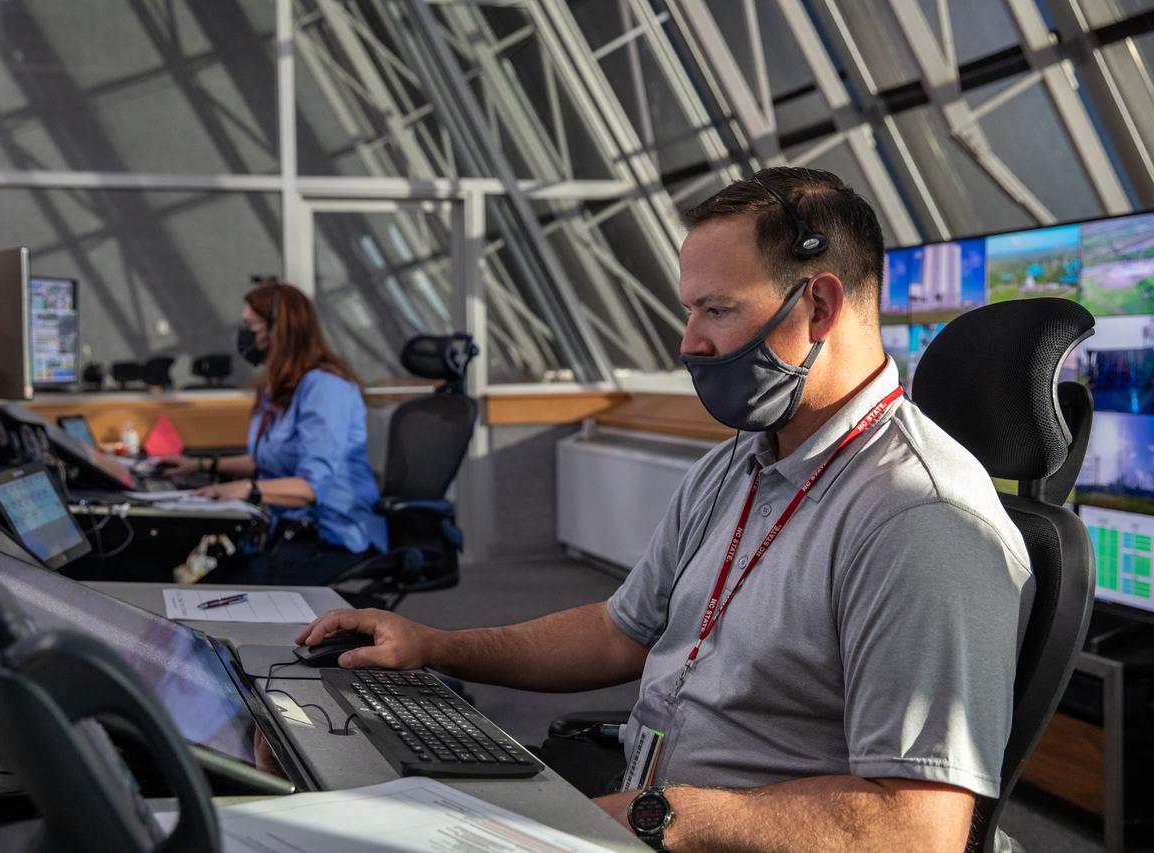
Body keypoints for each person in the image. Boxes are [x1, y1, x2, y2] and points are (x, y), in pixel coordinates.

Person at [296, 167, 1035, 850]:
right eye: (690, 311)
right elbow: (622, 632)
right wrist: (432, 646)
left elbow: (918, 830)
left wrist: (664, 813)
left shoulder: (919, 519)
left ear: (818, 306)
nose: (691, 342)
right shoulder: (739, 463)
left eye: (717, 309)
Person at [162, 283, 387, 585]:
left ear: (279, 330)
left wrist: (247, 489)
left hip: (332, 537)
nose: (244, 334)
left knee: (216, 595)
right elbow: (267, 460)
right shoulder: (281, 389)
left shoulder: (324, 388)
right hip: (288, 531)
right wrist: (203, 465)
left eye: (250, 325)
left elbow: (311, 486)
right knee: (201, 585)